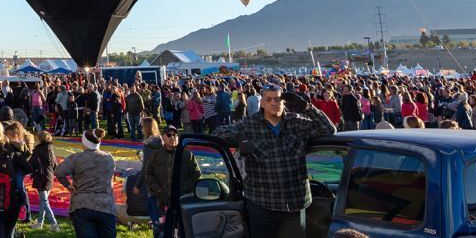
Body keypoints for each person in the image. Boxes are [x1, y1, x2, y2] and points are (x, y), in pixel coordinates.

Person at [213, 85, 337, 238]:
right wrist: (238, 137)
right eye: (268, 99)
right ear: (262, 103)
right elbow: (218, 132)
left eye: (278, 99)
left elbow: (328, 129)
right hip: (262, 203)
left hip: (295, 204)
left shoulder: (297, 123)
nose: (273, 103)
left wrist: (307, 107)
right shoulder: (250, 125)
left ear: (284, 101)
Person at [55, 127, 117, 238]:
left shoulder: (76, 158)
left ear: (84, 143)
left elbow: (59, 172)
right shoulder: (109, 158)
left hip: (82, 205)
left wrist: (67, 185)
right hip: (106, 206)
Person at [144, 125, 200, 232]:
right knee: (162, 231)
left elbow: (197, 174)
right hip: (161, 202)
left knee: (183, 230)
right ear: (163, 137)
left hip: (182, 201)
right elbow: (148, 174)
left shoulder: (187, 155)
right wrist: (158, 189)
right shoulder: (155, 155)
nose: (172, 137)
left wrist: (183, 189)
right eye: (169, 135)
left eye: (175, 135)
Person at [0, 120, 31, 238]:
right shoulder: (16, 151)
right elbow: (28, 168)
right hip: (12, 199)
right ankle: (26, 209)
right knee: (9, 232)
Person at [29, 129, 59, 231]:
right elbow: (55, 165)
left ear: (39, 139)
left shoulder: (38, 150)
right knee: (43, 202)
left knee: (45, 202)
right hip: (49, 177)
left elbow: (32, 164)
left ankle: (54, 224)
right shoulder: (50, 149)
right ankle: (39, 223)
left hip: (41, 178)